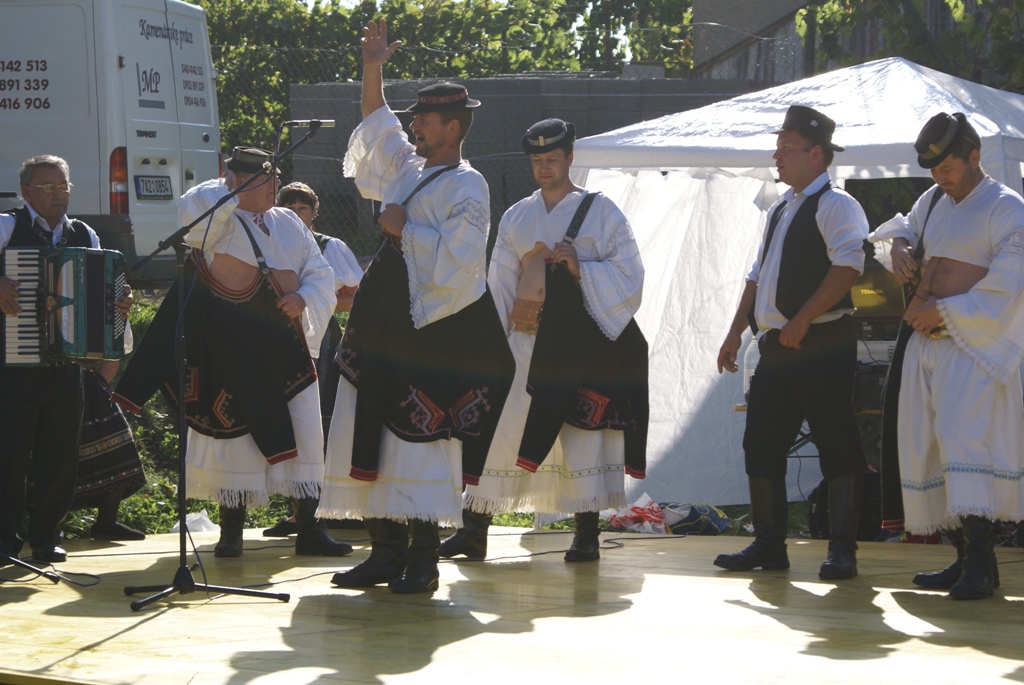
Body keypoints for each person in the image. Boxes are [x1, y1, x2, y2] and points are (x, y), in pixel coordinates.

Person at [319, 19, 513, 594]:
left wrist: (403, 228)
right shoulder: (410, 168)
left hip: (428, 331)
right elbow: (377, 124)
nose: (413, 125)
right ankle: (384, 553)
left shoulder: (468, 186)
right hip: (380, 320)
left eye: (424, 120)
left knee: (420, 437)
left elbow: (461, 261)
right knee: (367, 426)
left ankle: (424, 560)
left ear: (452, 127)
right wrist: (371, 67)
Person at [112, 146, 352, 559]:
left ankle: (310, 529)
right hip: (229, 349)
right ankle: (231, 533)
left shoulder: (290, 222)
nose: (277, 185)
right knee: (234, 438)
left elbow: (319, 272)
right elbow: (193, 216)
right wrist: (232, 187)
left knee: (305, 435)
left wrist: (303, 296)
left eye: (276, 177)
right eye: (267, 178)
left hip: (286, 347)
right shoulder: (216, 216)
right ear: (239, 181)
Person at [439, 118, 648, 563]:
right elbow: (500, 282)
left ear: (570, 158)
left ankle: (586, 535)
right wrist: (492, 346)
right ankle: (474, 529)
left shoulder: (602, 211)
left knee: (580, 436)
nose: (544, 167)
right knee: (501, 429)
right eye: (537, 160)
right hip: (525, 339)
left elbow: (631, 274)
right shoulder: (517, 215)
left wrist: (581, 268)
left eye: (552, 158)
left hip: (578, 350)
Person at [871, 112, 1024, 599]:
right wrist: (900, 247)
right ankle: (960, 557)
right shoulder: (934, 199)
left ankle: (982, 561)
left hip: (971, 345)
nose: (940, 178)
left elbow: (1012, 282)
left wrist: (948, 312)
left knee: (964, 441)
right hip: (925, 344)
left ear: (974, 157)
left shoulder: (1007, 207)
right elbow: (904, 227)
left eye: (948, 168)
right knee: (929, 444)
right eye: (935, 171)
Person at [714, 106, 869, 580]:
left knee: (836, 442)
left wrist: (803, 318)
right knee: (761, 443)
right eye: (777, 147)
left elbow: (849, 266)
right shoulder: (781, 207)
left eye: (786, 148)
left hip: (822, 340)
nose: (776, 156)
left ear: (815, 154)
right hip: (778, 344)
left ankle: (842, 550)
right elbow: (757, 276)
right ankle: (768, 545)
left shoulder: (836, 204)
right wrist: (735, 331)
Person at [0, 155, 133, 564]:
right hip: (13, 366)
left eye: (64, 186)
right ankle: (4, 541)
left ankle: (47, 537)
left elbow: (106, 284)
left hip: (67, 367)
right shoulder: (5, 226)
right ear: (26, 192)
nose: (59, 194)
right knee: (9, 456)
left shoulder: (84, 234)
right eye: (48, 187)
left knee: (60, 457)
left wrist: (119, 300)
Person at [263, 181, 364, 538]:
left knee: (321, 425)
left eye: (302, 207)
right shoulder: (265, 241)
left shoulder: (329, 247)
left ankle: (326, 509)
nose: (295, 212)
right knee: (287, 426)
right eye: (288, 207)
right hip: (277, 341)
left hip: (321, 343)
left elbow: (358, 294)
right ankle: (298, 513)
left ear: (313, 212)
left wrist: (317, 301)